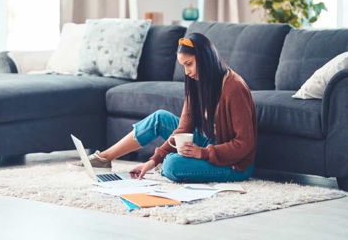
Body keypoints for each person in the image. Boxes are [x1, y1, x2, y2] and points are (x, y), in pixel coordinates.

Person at [85, 32, 257, 183]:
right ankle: (104, 158)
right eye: (184, 66)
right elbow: (183, 129)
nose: (187, 72)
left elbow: (244, 144)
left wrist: (203, 153)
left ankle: (179, 165)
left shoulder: (234, 87)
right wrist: (153, 161)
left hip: (234, 164)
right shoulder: (197, 83)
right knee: (160, 118)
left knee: (172, 164)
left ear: (205, 59)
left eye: (189, 64)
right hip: (209, 142)